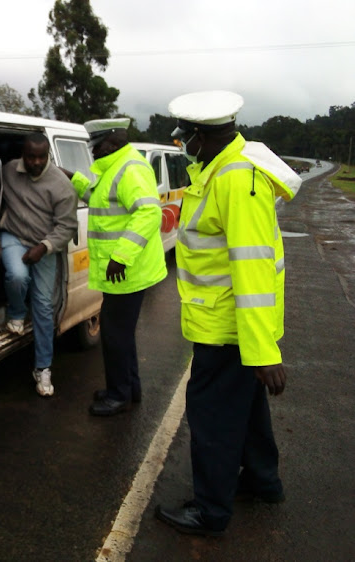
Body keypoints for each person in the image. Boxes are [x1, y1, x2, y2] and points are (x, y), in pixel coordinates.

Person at [154, 90, 300, 536]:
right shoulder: (221, 169)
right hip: (225, 324)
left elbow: (252, 271)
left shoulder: (236, 181)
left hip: (228, 329)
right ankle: (262, 481)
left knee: (212, 417)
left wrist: (262, 353)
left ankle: (210, 511)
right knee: (247, 409)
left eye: (185, 139)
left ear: (201, 136)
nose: (182, 146)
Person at [68, 118, 167, 416]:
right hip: (123, 272)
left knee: (114, 336)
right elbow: (100, 200)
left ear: (112, 143)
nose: (93, 152)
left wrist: (121, 256)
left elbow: (149, 213)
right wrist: (72, 179)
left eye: (95, 146)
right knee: (120, 335)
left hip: (127, 271)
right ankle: (129, 388)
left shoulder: (130, 169)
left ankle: (118, 395)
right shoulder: (116, 166)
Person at [0, 132, 78, 397]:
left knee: (44, 306)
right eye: (30, 156)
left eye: (41, 157)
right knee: (18, 276)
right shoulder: (10, 170)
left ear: (48, 156)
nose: (35, 162)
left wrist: (43, 247)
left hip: (44, 245)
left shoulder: (61, 186)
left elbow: (67, 227)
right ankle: (17, 312)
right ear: (23, 154)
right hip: (13, 235)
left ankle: (43, 368)